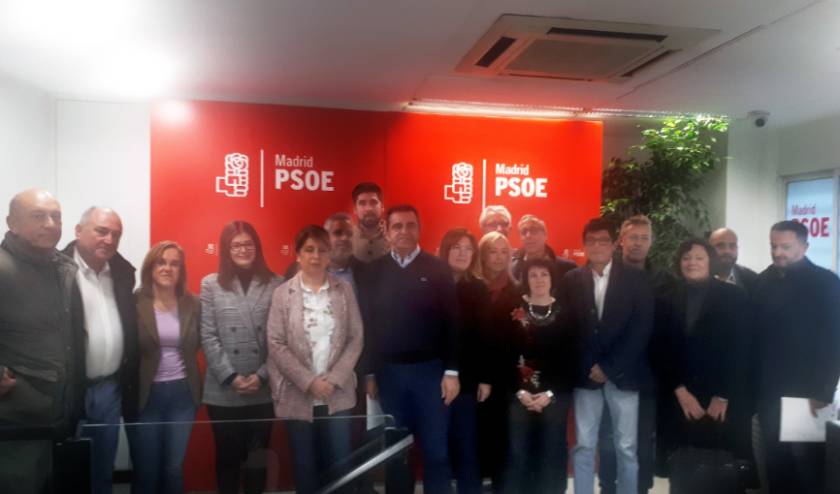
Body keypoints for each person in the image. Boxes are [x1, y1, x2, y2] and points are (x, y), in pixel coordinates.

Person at [363, 205, 459, 494]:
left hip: (431, 374)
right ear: (387, 231)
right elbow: (368, 325)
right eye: (397, 226)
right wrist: (369, 373)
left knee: (436, 450)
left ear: (419, 229)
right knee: (396, 452)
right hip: (389, 375)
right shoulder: (373, 271)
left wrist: (452, 372)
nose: (404, 231)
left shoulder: (438, 268)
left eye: (410, 225)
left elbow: (453, 323)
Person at [0, 189, 86, 494]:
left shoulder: (61, 267)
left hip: (57, 414)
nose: (50, 224)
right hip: (15, 420)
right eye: (39, 216)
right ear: (12, 223)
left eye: (56, 217)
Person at [267, 225, 363, 494]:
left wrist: (334, 379)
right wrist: (309, 381)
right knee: (304, 465)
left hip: (337, 393)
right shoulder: (282, 294)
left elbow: (356, 338)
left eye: (322, 250)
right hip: (298, 394)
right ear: (298, 254)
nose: (316, 256)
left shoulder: (344, 290)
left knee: (340, 463)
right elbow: (275, 343)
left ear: (329, 254)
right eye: (309, 250)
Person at [566, 217, 654, 494]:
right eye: (591, 241)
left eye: (603, 240)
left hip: (623, 375)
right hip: (586, 376)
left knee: (626, 446)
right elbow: (568, 330)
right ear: (584, 245)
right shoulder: (571, 280)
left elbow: (641, 328)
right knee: (584, 445)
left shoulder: (636, 279)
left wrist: (609, 367)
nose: (597, 246)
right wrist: (590, 365)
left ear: (614, 244)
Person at [653, 239, 751, 485]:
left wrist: (723, 395)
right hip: (679, 397)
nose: (692, 263)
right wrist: (680, 391)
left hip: (721, 399)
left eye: (699, 257)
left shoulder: (734, 296)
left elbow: (741, 349)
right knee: (683, 470)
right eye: (686, 258)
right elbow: (660, 349)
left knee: (722, 471)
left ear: (710, 261)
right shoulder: (666, 298)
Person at [754, 220, 840, 493]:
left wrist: (822, 392)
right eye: (773, 246)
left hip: (808, 393)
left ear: (804, 246)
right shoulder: (763, 281)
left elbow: (833, 342)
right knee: (774, 463)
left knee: (807, 465)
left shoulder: (825, 283)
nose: (778, 252)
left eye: (786, 247)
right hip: (768, 391)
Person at [200, 221, 283, 494]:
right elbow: (208, 335)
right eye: (236, 245)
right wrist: (230, 377)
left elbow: (280, 339)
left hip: (262, 388)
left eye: (248, 244)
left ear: (257, 247)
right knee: (227, 459)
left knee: (257, 460)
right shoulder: (211, 284)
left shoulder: (276, 283)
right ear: (226, 249)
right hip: (224, 390)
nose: (243, 249)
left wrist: (261, 376)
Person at [62, 207, 138, 494]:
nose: (109, 240)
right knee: (70, 467)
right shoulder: (57, 271)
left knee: (103, 466)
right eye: (101, 231)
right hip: (71, 389)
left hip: (109, 389)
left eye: (116, 234)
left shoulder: (122, 273)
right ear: (78, 231)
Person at [598, 215, 669, 494]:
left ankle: (640, 488)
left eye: (644, 238)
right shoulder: (606, 274)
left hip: (647, 373)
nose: (638, 243)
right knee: (609, 437)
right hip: (611, 371)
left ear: (651, 242)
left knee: (642, 438)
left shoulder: (663, 279)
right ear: (621, 241)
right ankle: (608, 486)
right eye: (633, 237)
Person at [129, 241, 201, 494]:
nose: (167, 268)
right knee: (146, 469)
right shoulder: (134, 302)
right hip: (147, 395)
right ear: (150, 267)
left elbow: (199, 343)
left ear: (181, 270)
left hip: (183, 395)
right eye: (161, 262)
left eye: (174, 264)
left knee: (173, 468)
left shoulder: (193, 304)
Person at [502, 258, 579, 494]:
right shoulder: (513, 311)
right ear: (525, 280)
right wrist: (520, 391)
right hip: (518, 393)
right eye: (533, 275)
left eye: (544, 274)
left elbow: (571, 359)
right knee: (518, 451)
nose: (539, 280)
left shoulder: (567, 313)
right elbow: (502, 353)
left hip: (555, 394)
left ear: (552, 278)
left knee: (551, 451)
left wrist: (549, 394)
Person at [438, 228, 492, 494]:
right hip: (433, 376)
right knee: (438, 446)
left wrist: (485, 378)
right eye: (456, 247)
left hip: (469, 379)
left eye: (468, 248)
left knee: (466, 444)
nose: (462, 253)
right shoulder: (431, 283)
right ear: (445, 250)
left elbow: (485, 336)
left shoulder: (478, 288)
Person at [476, 231, 521, 488]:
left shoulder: (517, 290)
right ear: (482, 255)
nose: (499, 257)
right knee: (476, 435)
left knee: (503, 436)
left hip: (506, 376)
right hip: (474, 374)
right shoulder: (471, 287)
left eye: (505, 252)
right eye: (493, 251)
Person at [285, 212, 366, 294]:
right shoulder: (295, 270)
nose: (345, 238)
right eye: (338, 233)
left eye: (349, 234)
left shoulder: (367, 273)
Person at [510, 214, 576, 291]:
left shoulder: (567, 268)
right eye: (524, 232)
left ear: (545, 235)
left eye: (533, 231)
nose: (528, 236)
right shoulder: (512, 269)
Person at [709, 227, 758, 295]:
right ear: (708, 250)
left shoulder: (751, 279)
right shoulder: (699, 277)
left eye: (732, 246)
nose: (727, 251)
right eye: (720, 246)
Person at [351, 182, 389, 263]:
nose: (368, 208)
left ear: (382, 206)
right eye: (362, 203)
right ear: (355, 209)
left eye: (373, 202)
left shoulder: (395, 236)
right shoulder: (346, 239)